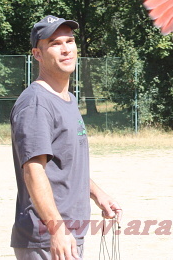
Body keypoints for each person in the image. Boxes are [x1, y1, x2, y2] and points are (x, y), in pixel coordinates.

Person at [10, 15, 122, 260]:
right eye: (54, 43)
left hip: (69, 232)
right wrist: (56, 229)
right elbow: (33, 170)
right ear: (37, 54)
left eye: (69, 41)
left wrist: (96, 193)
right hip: (46, 237)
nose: (65, 49)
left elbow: (65, 163)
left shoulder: (67, 100)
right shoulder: (36, 103)